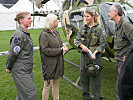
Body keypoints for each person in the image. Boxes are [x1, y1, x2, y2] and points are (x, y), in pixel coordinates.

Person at [5, 12, 38, 100]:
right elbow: (13, 52)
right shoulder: (19, 35)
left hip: (26, 69)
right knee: (31, 95)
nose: (31, 20)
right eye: (29, 18)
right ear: (21, 20)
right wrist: (8, 66)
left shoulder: (24, 33)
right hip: (20, 70)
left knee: (22, 95)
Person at [75, 9, 106, 100]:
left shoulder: (99, 29)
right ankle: (86, 98)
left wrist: (95, 52)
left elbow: (103, 44)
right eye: (85, 16)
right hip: (84, 58)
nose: (86, 18)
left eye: (87, 16)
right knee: (84, 81)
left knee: (95, 82)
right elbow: (76, 40)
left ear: (93, 17)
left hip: (95, 59)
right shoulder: (82, 28)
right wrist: (81, 46)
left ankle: (97, 97)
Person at [39, 14, 68, 100]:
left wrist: (63, 46)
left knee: (56, 83)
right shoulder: (44, 35)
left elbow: (59, 43)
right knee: (47, 85)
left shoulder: (56, 32)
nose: (57, 22)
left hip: (58, 62)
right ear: (51, 22)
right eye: (56, 20)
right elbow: (45, 50)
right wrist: (60, 50)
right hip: (49, 64)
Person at [108, 4, 133, 100]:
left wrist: (128, 56)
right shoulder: (117, 25)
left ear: (115, 13)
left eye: (110, 11)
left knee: (120, 88)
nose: (108, 13)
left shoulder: (126, 25)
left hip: (124, 63)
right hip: (118, 60)